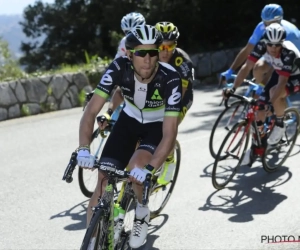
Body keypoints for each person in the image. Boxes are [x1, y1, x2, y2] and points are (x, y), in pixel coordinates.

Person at [77, 24, 182, 249]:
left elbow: (170, 133)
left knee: (137, 167)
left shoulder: (170, 78)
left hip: (156, 126)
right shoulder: (118, 67)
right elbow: (91, 111)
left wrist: (149, 169)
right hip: (128, 121)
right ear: (131, 54)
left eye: (153, 52)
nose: (148, 59)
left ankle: (142, 210)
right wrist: (83, 148)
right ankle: (93, 242)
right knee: (103, 177)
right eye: (141, 53)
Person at [102, 21, 194, 185]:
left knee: (170, 124)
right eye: (162, 48)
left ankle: (169, 158)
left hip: (180, 97)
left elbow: (180, 95)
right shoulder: (146, 57)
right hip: (156, 95)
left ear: (176, 45)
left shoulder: (183, 62)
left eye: (170, 47)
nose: (165, 52)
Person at [224, 23, 300, 165]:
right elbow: (247, 67)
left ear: (282, 43)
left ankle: (280, 123)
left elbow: (283, 83)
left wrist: (271, 104)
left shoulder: (288, 53)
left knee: (273, 94)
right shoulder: (261, 45)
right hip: (280, 72)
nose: (273, 48)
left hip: (295, 77)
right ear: (265, 41)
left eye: (277, 45)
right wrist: (233, 88)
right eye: (270, 44)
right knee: (259, 106)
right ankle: (258, 145)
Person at [221, 3, 300, 85]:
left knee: (276, 91)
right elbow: (248, 49)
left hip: (293, 60)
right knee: (258, 68)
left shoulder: (288, 34)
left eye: (272, 23)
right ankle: (263, 94)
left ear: (280, 20)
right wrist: (231, 70)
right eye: (266, 23)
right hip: (276, 56)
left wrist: (264, 83)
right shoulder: (261, 26)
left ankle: (268, 94)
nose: (268, 26)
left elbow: (278, 65)